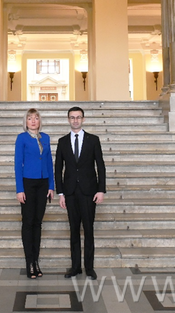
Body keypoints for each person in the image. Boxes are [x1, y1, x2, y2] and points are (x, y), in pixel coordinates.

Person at [55, 106, 106, 280]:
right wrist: (61, 193)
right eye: (72, 117)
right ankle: (75, 267)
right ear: (68, 119)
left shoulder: (93, 140)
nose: (75, 120)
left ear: (83, 119)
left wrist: (101, 190)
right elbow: (58, 169)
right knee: (74, 230)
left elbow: (100, 166)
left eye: (78, 117)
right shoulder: (62, 141)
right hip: (70, 192)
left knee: (89, 230)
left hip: (89, 192)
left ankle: (89, 267)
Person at [14, 108, 55, 279]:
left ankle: (36, 261)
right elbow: (18, 164)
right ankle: (29, 262)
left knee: (38, 223)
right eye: (30, 118)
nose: (33, 121)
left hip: (43, 183)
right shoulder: (21, 138)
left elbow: (49, 162)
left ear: (40, 121)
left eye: (36, 118)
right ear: (26, 121)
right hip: (28, 183)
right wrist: (20, 189)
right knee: (28, 222)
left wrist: (51, 186)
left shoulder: (45, 137)